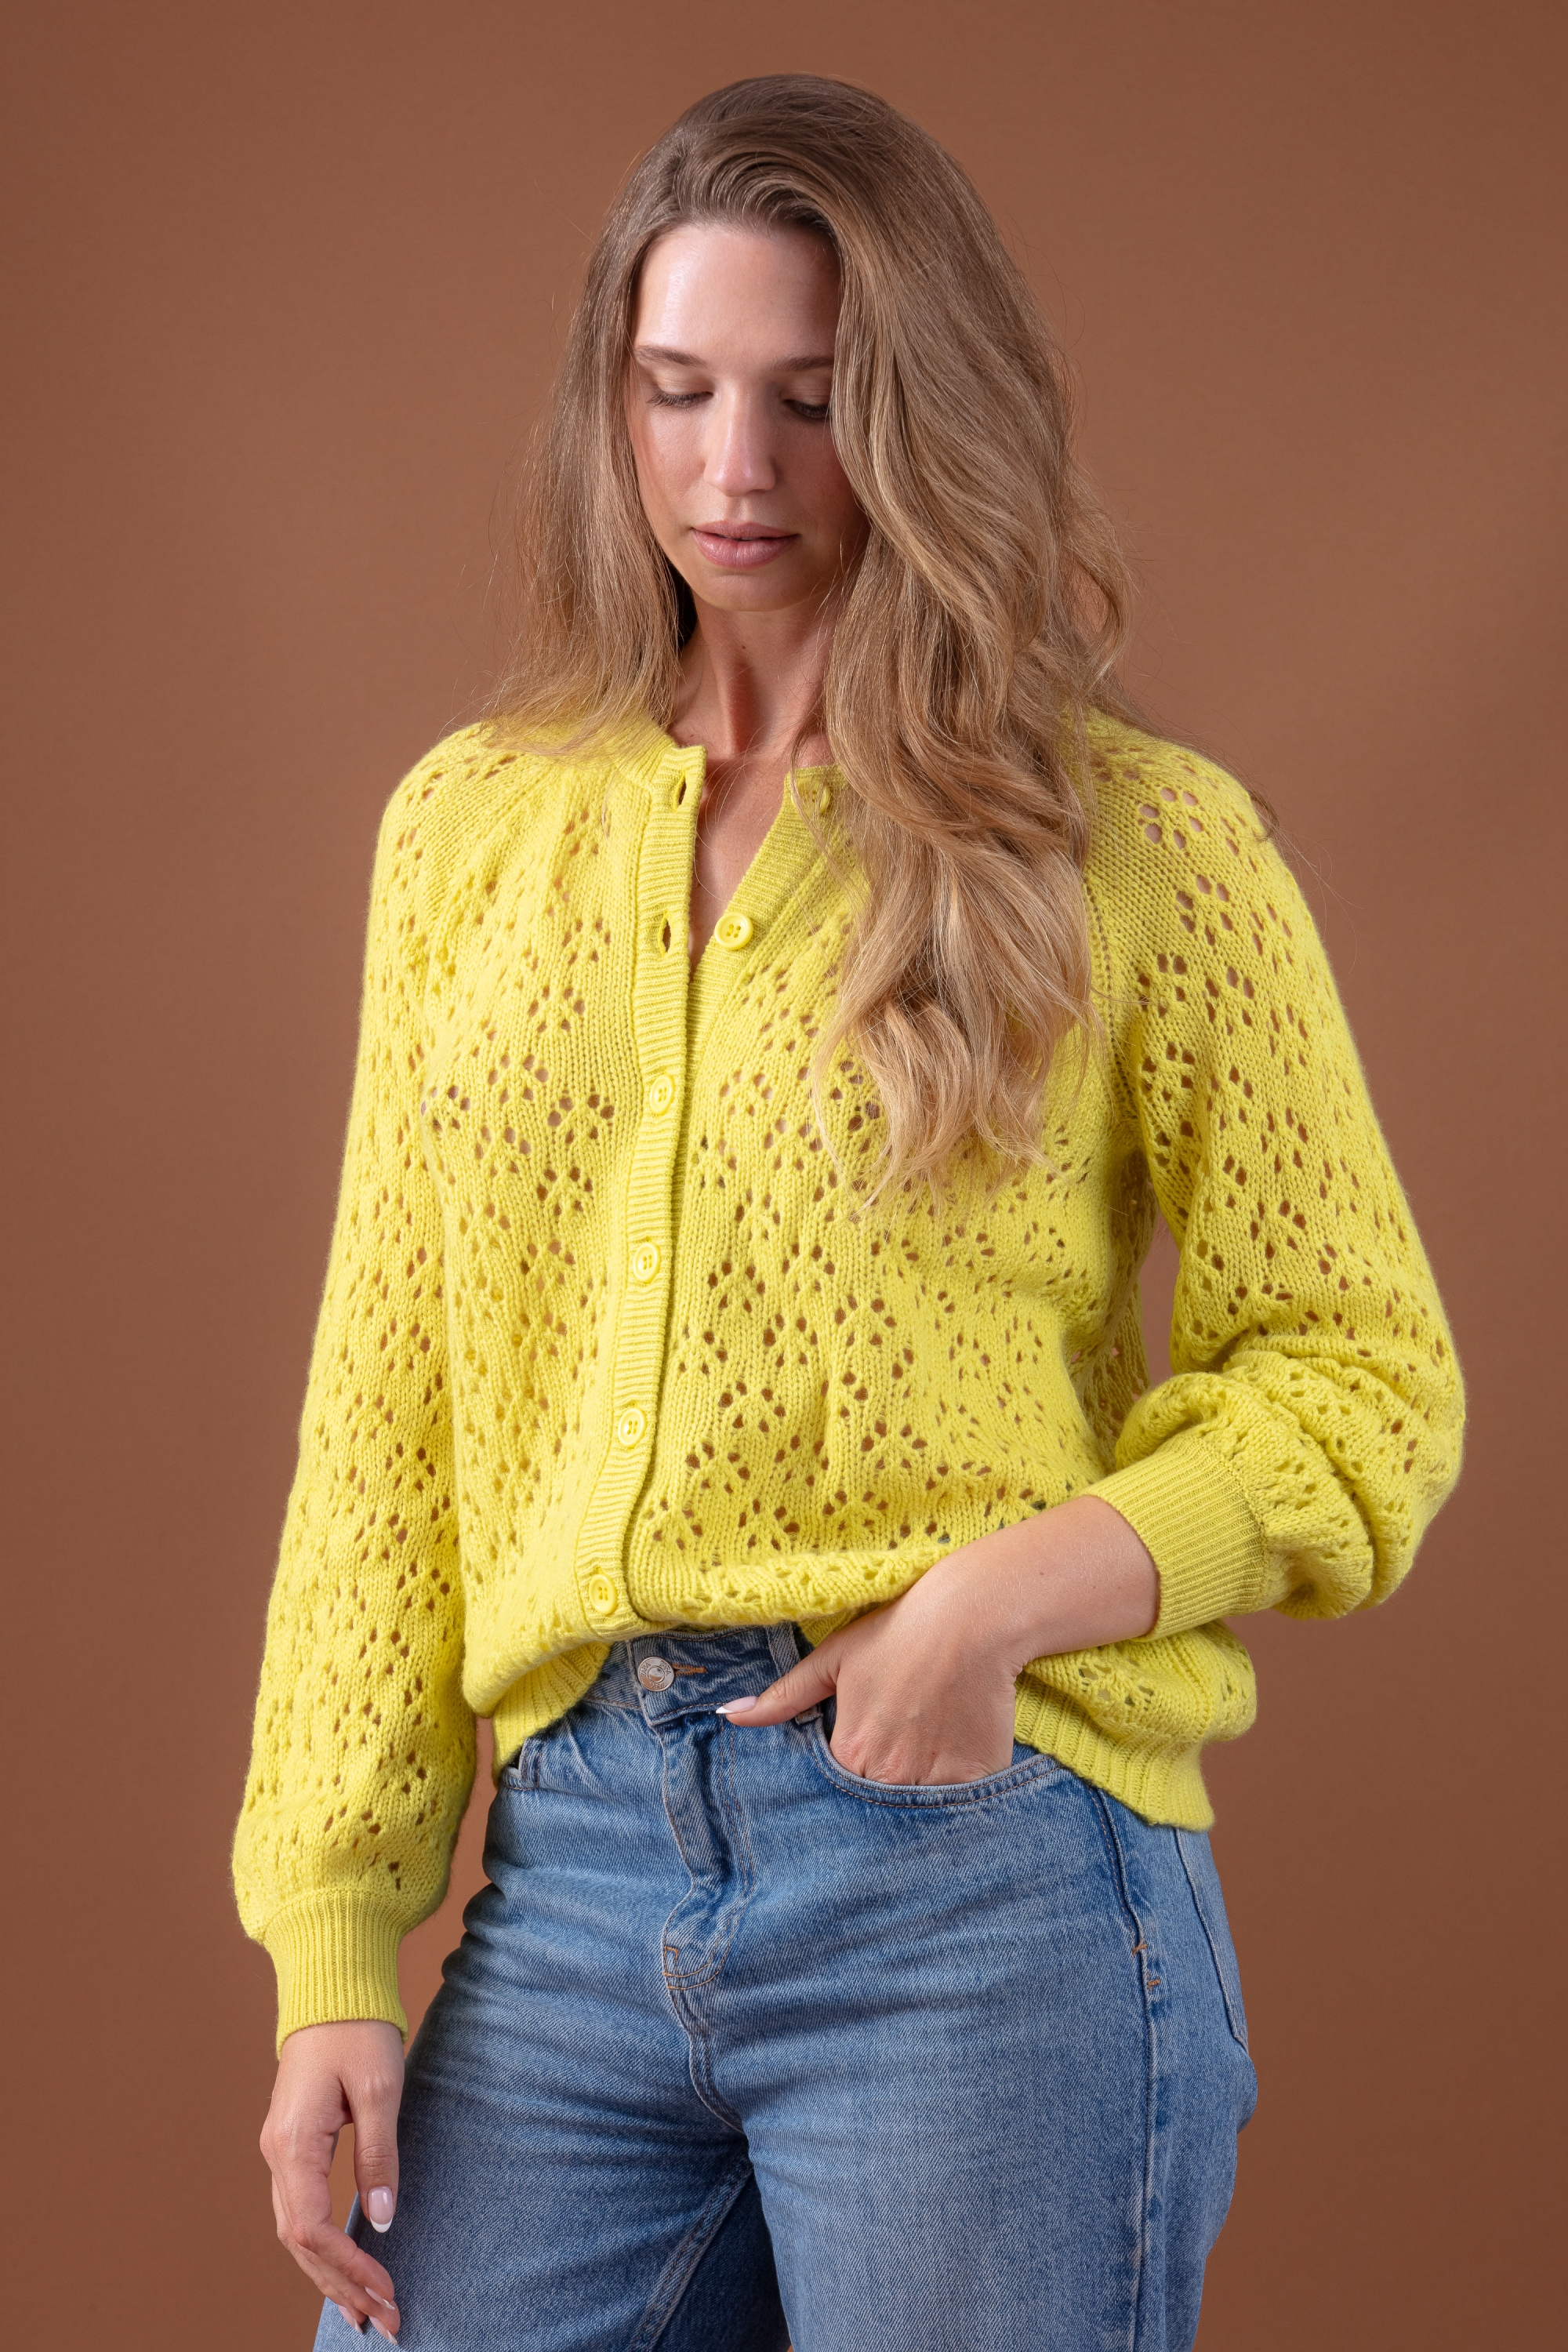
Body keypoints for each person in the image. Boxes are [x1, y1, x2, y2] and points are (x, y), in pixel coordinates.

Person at [235, 73, 1463, 2352]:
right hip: (574, 1872)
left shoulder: (1137, 844)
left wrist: (995, 1602)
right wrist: (332, 1944)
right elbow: (388, 1418)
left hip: (976, 1875)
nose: (735, 468)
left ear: (922, 414)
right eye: (676, 389)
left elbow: (1366, 1382)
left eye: (811, 401)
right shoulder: (470, 838)